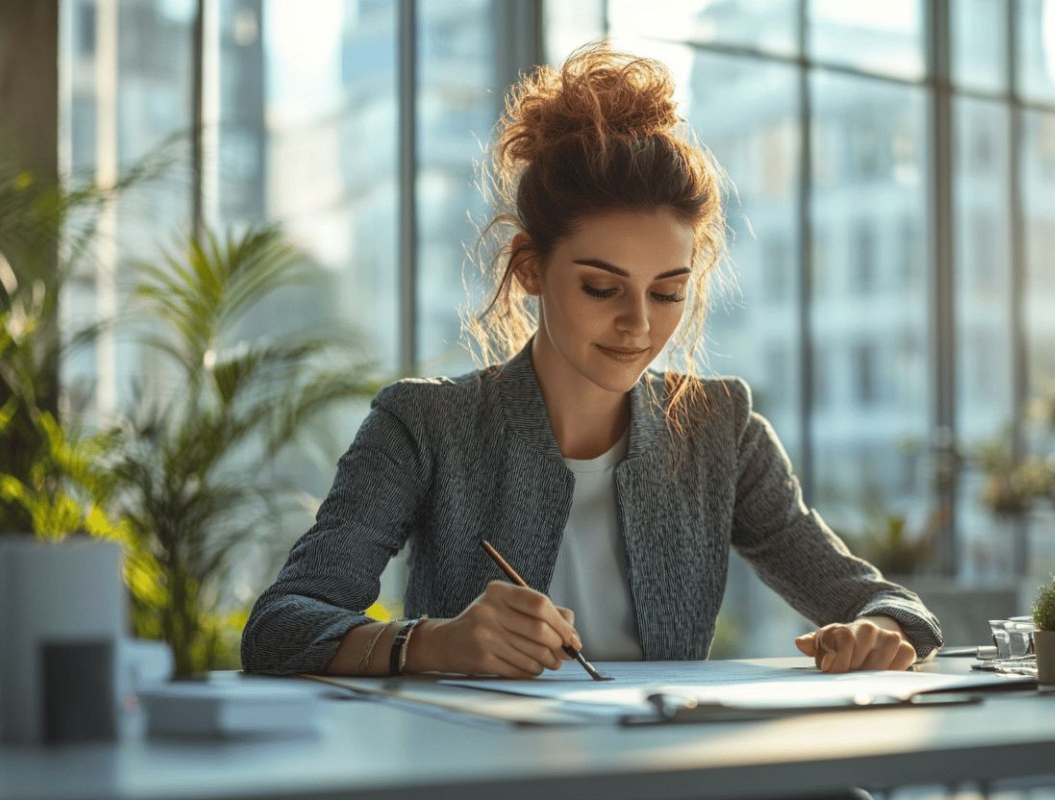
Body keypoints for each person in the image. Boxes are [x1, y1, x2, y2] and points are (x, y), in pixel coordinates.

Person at [240, 43, 943, 681]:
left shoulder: (721, 432)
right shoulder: (425, 425)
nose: (639, 325)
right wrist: (426, 644)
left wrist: (876, 631)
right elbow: (282, 623)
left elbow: (890, 605)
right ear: (530, 270)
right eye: (602, 288)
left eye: (668, 291)